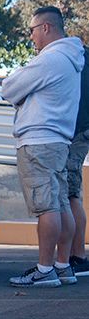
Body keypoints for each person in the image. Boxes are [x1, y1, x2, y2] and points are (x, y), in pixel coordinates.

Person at [2, 6, 85, 287]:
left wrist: (23, 93)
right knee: (61, 203)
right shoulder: (72, 59)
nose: (31, 37)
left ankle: (45, 269)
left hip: (38, 141)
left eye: (33, 31)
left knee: (46, 208)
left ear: (46, 28)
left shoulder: (50, 59)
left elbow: (9, 88)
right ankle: (63, 266)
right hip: (59, 140)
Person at [65, 41, 89, 275]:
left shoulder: (77, 59)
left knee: (71, 194)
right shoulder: (81, 57)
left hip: (77, 132)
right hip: (80, 131)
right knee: (73, 194)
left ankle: (78, 256)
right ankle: (75, 254)